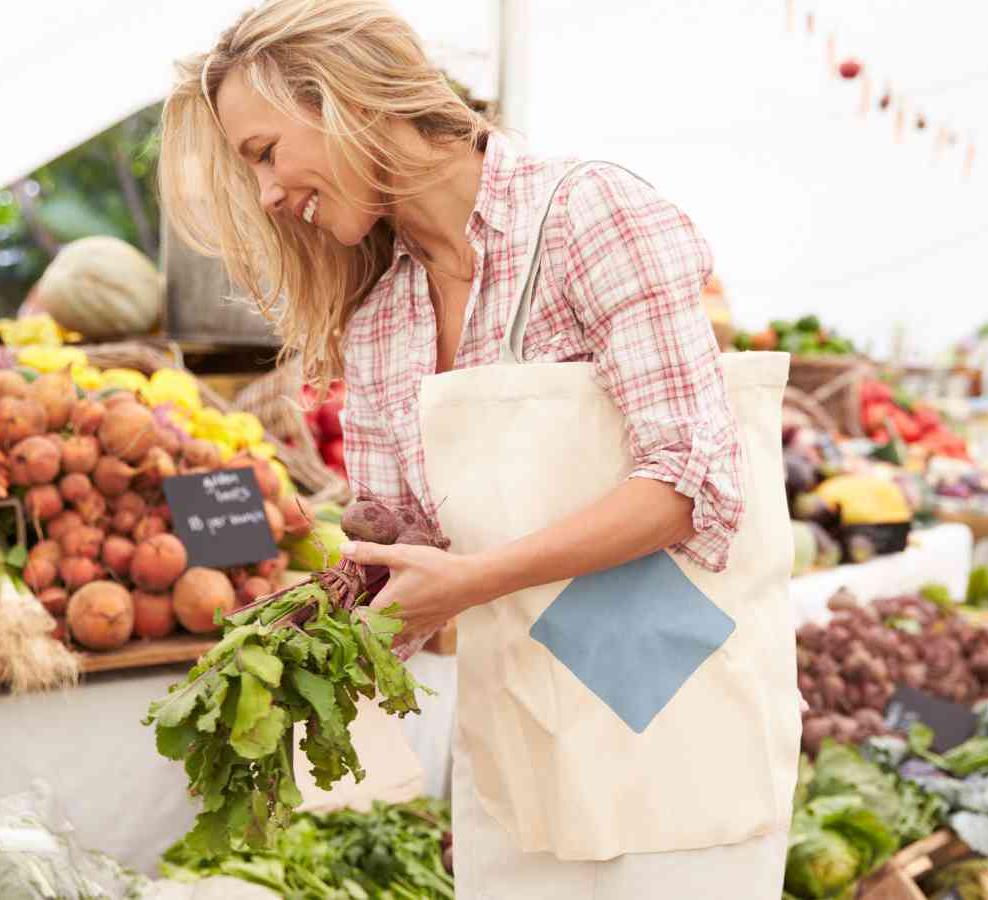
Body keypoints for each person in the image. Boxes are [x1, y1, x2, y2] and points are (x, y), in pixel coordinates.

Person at [157, 3, 798, 897]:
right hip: (525, 729)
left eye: (265, 152)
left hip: (674, 705)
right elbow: (416, 544)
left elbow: (686, 487)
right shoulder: (382, 318)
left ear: (342, 99)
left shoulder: (589, 214)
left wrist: (474, 580)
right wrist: (314, 606)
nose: (266, 195)